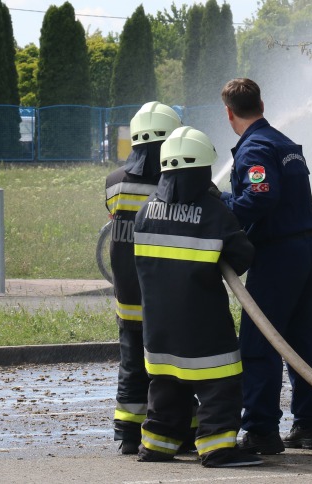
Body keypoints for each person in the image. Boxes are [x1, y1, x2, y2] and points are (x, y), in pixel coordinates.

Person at [132, 126, 261, 468]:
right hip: (202, 322)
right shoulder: (213, 212)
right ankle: (217, 447)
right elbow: (242, 256)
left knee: (166, 384)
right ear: (203, 169)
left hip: (158, 325)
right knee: (220, 381)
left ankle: (157, 445)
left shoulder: (146, 211)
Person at [220, 78, 312, 454]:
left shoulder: (255, 148)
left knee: (260, 340)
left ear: (229, 112)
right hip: (308, 249)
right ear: (261, 104)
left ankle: (261, 430)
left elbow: (260, 196)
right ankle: (309, 427)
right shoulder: (284, 144)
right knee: (303, 340)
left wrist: (221, 212)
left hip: (279, 254)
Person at [104, 101, 182, 455]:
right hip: (166, 297)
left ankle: (128, 434)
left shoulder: (114, 182)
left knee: (132, 364)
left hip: (127, 293)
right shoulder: (176, 183)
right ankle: (176, 431)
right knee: (172, 367)